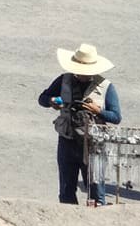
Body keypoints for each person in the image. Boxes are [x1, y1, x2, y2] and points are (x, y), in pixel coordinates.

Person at [38, 43, 121, 207]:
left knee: (96, 193)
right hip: (67, 142)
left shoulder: (106, 87)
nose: (83, 75)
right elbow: (42, 99)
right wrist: (51, 101)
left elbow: (116, 117)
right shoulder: (63, 80)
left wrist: (98, 111)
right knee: (66, 191)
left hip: (94, 146)